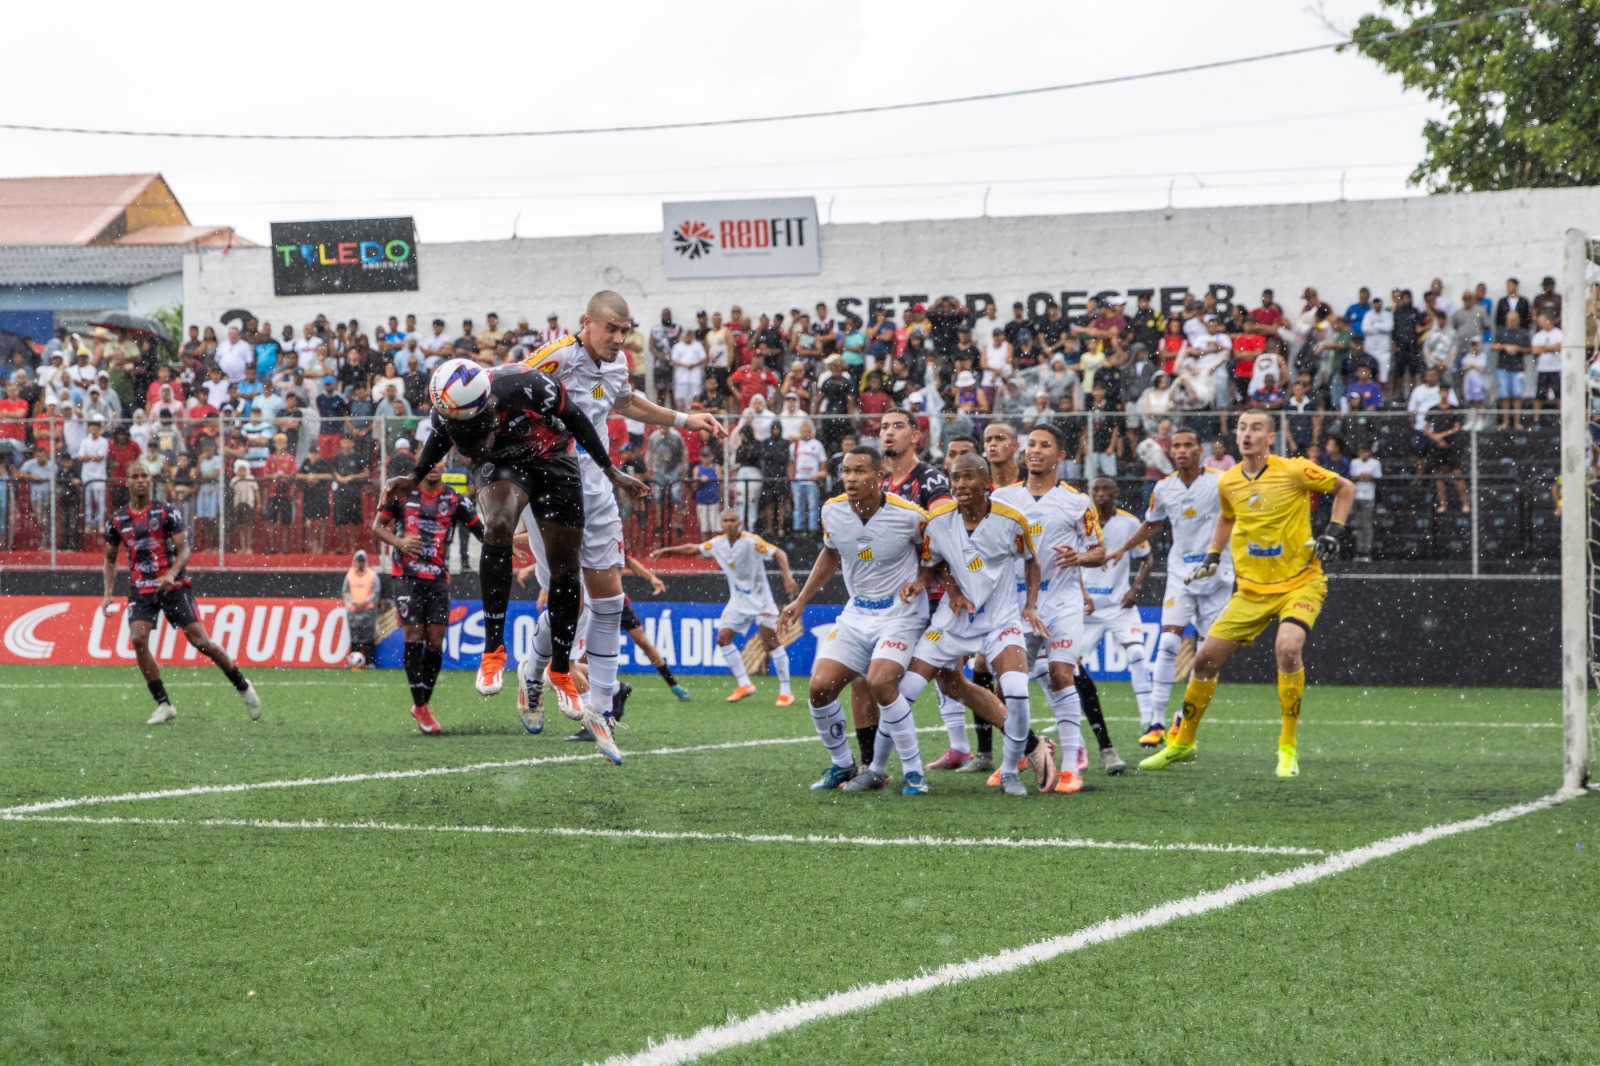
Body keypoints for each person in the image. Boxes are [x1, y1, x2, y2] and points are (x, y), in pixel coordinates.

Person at [386, 358, 646, 767]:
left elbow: (576, 417)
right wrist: (414, 477)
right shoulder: (448, 406)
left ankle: (559, 669)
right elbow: (437, 441)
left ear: (488, 406)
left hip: (554, 457)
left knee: (565, 569)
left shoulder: (527, 386)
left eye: (474, 434)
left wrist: (612, 471)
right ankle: (494, 651)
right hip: (505, 465)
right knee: (498, 526)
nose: (469, 441)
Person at [515, 292, 724, 736]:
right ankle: (531, 671)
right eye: (610, 328)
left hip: (599, 487)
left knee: (607, 601)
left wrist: (687, 419)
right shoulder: (554, 357)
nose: (618, 337)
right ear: (586, 322)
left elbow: (626, 403)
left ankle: (602, 710)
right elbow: (506, 393)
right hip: (550, 486)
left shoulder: (618, 365)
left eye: (624, 330)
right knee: (563, 596)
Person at [1140, 410, 1354, 779]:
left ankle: (1287, 747)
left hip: (1300, 582)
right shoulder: (1229, 482)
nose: (1247, 434)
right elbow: (1226, 517)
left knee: (1287, 649)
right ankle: (1183, 744)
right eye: (1241, 428)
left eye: (1256, 428)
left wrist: (1333, 531)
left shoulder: (1294, 470)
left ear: (1271, 437)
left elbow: (1345, 488)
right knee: (1204, 660)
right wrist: (1212, 553)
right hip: (1252, 590)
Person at [777, 447, 933, 793]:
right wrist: (801, 601)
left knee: (879, 682)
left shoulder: (910, 516)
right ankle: (843, 766)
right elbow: (831, 553)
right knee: (820, 688)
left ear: (880, 477)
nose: (850, 478)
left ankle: (914, 772)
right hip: (856, 613)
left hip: (900, 615)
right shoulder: (832, 511)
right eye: (846, 470)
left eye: (860, 471)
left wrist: (921, 581)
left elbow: (936, 555)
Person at [991, 426, 1107, 792]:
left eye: (1045, 445)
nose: (1035, 451)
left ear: (1061, 456)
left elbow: (1099, 550)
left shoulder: (1077, 501)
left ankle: (1072, 766)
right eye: (1031, 445)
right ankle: (1024, 753)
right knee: (1001, 686)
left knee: (1060, 673)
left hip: (1062, 603)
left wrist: (1081, 557)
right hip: (1018, 605)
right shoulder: (1003, 498)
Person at [100, 463, 261, 725]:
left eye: (144, 476)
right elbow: (109, 559)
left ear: (150, 481)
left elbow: (184, 550)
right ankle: (164, 704)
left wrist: (171, 574)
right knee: (138, 640)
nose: (140, 480)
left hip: (174, 586)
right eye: (134, 476)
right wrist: (107, 593)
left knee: (201, 642)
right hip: (141, 589)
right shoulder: (117, 520)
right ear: (127, 481)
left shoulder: (165, 512)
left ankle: (242, 686)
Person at [1108, 427, 1235, 744]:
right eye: (1175, 446)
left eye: (1187, 445)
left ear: (1199, 450)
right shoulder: (1163, 488)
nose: (1180, 450)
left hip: (1217, 577)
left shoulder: (1221, 482)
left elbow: (1239, 517)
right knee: (1166, 644)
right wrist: (1124, 547)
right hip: (1181, 575)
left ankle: (1184, 715)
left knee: (1208, 657)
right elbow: (1153, 522)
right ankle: (1155, 722)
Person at [372, 465, 485, 735]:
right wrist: (399, 543)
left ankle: (423, 704)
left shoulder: (455, 500)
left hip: (438, 579)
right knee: (414, 636)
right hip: (406, 576)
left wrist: (509, 542)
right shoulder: (402, 495)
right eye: (429, 464)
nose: (433, 469)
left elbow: (482, 533)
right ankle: (420, 706)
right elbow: (377, 526)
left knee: (435, 643)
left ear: (444, 466)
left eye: (438, 463)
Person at [650, 509, 799, 705]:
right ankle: (744, 684)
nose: (729, 524)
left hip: (761, 600)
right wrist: (665, 551)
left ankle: (786, 692)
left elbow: (779, 553)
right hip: (738, 601)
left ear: (740, 522)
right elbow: (693, 548)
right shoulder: (717, 544)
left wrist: (787, 578)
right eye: (725, 521)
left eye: (733, 520)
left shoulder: (751, 541)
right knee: (723, 639)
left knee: (770, 642)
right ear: (721, 524)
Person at [1075, 476, 1153, 764]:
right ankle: (1078, 739)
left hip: (1119, 605)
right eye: (1096, 489)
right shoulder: (1082, 522)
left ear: (1116, 493)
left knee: (1136, 653)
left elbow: (1148, 558)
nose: (1101, 494)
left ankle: (1149, 721)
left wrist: (1135, 589)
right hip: (1088, 608)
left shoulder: (1130, 523)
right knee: (1068, 671)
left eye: (1106, 489)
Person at [343, 550, 380, 670]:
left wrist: (365, 603)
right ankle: (353, 662)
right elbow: (346, 592)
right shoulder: (350, 575)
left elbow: (376, 593)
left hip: (368, 611)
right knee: (354, 637)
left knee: (368, 637)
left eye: (362, 561)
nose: (360, 564)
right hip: (353, 611)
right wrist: (353, 602)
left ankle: (370, 662)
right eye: (358, 561)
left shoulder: (372, 575)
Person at [1349, 443, 1382, 561]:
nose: (1364, 454)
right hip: (1357, 495)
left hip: (1369, 496)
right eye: (1362, 452)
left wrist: (1369, 477)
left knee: (1367, 524)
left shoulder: (1375, 463)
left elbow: (1378, 478)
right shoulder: (1354, 463)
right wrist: (1359, 476)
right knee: (1358, 524)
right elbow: (1351, 478)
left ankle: (1367, 551)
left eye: (1366, 452)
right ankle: (1359, 550)